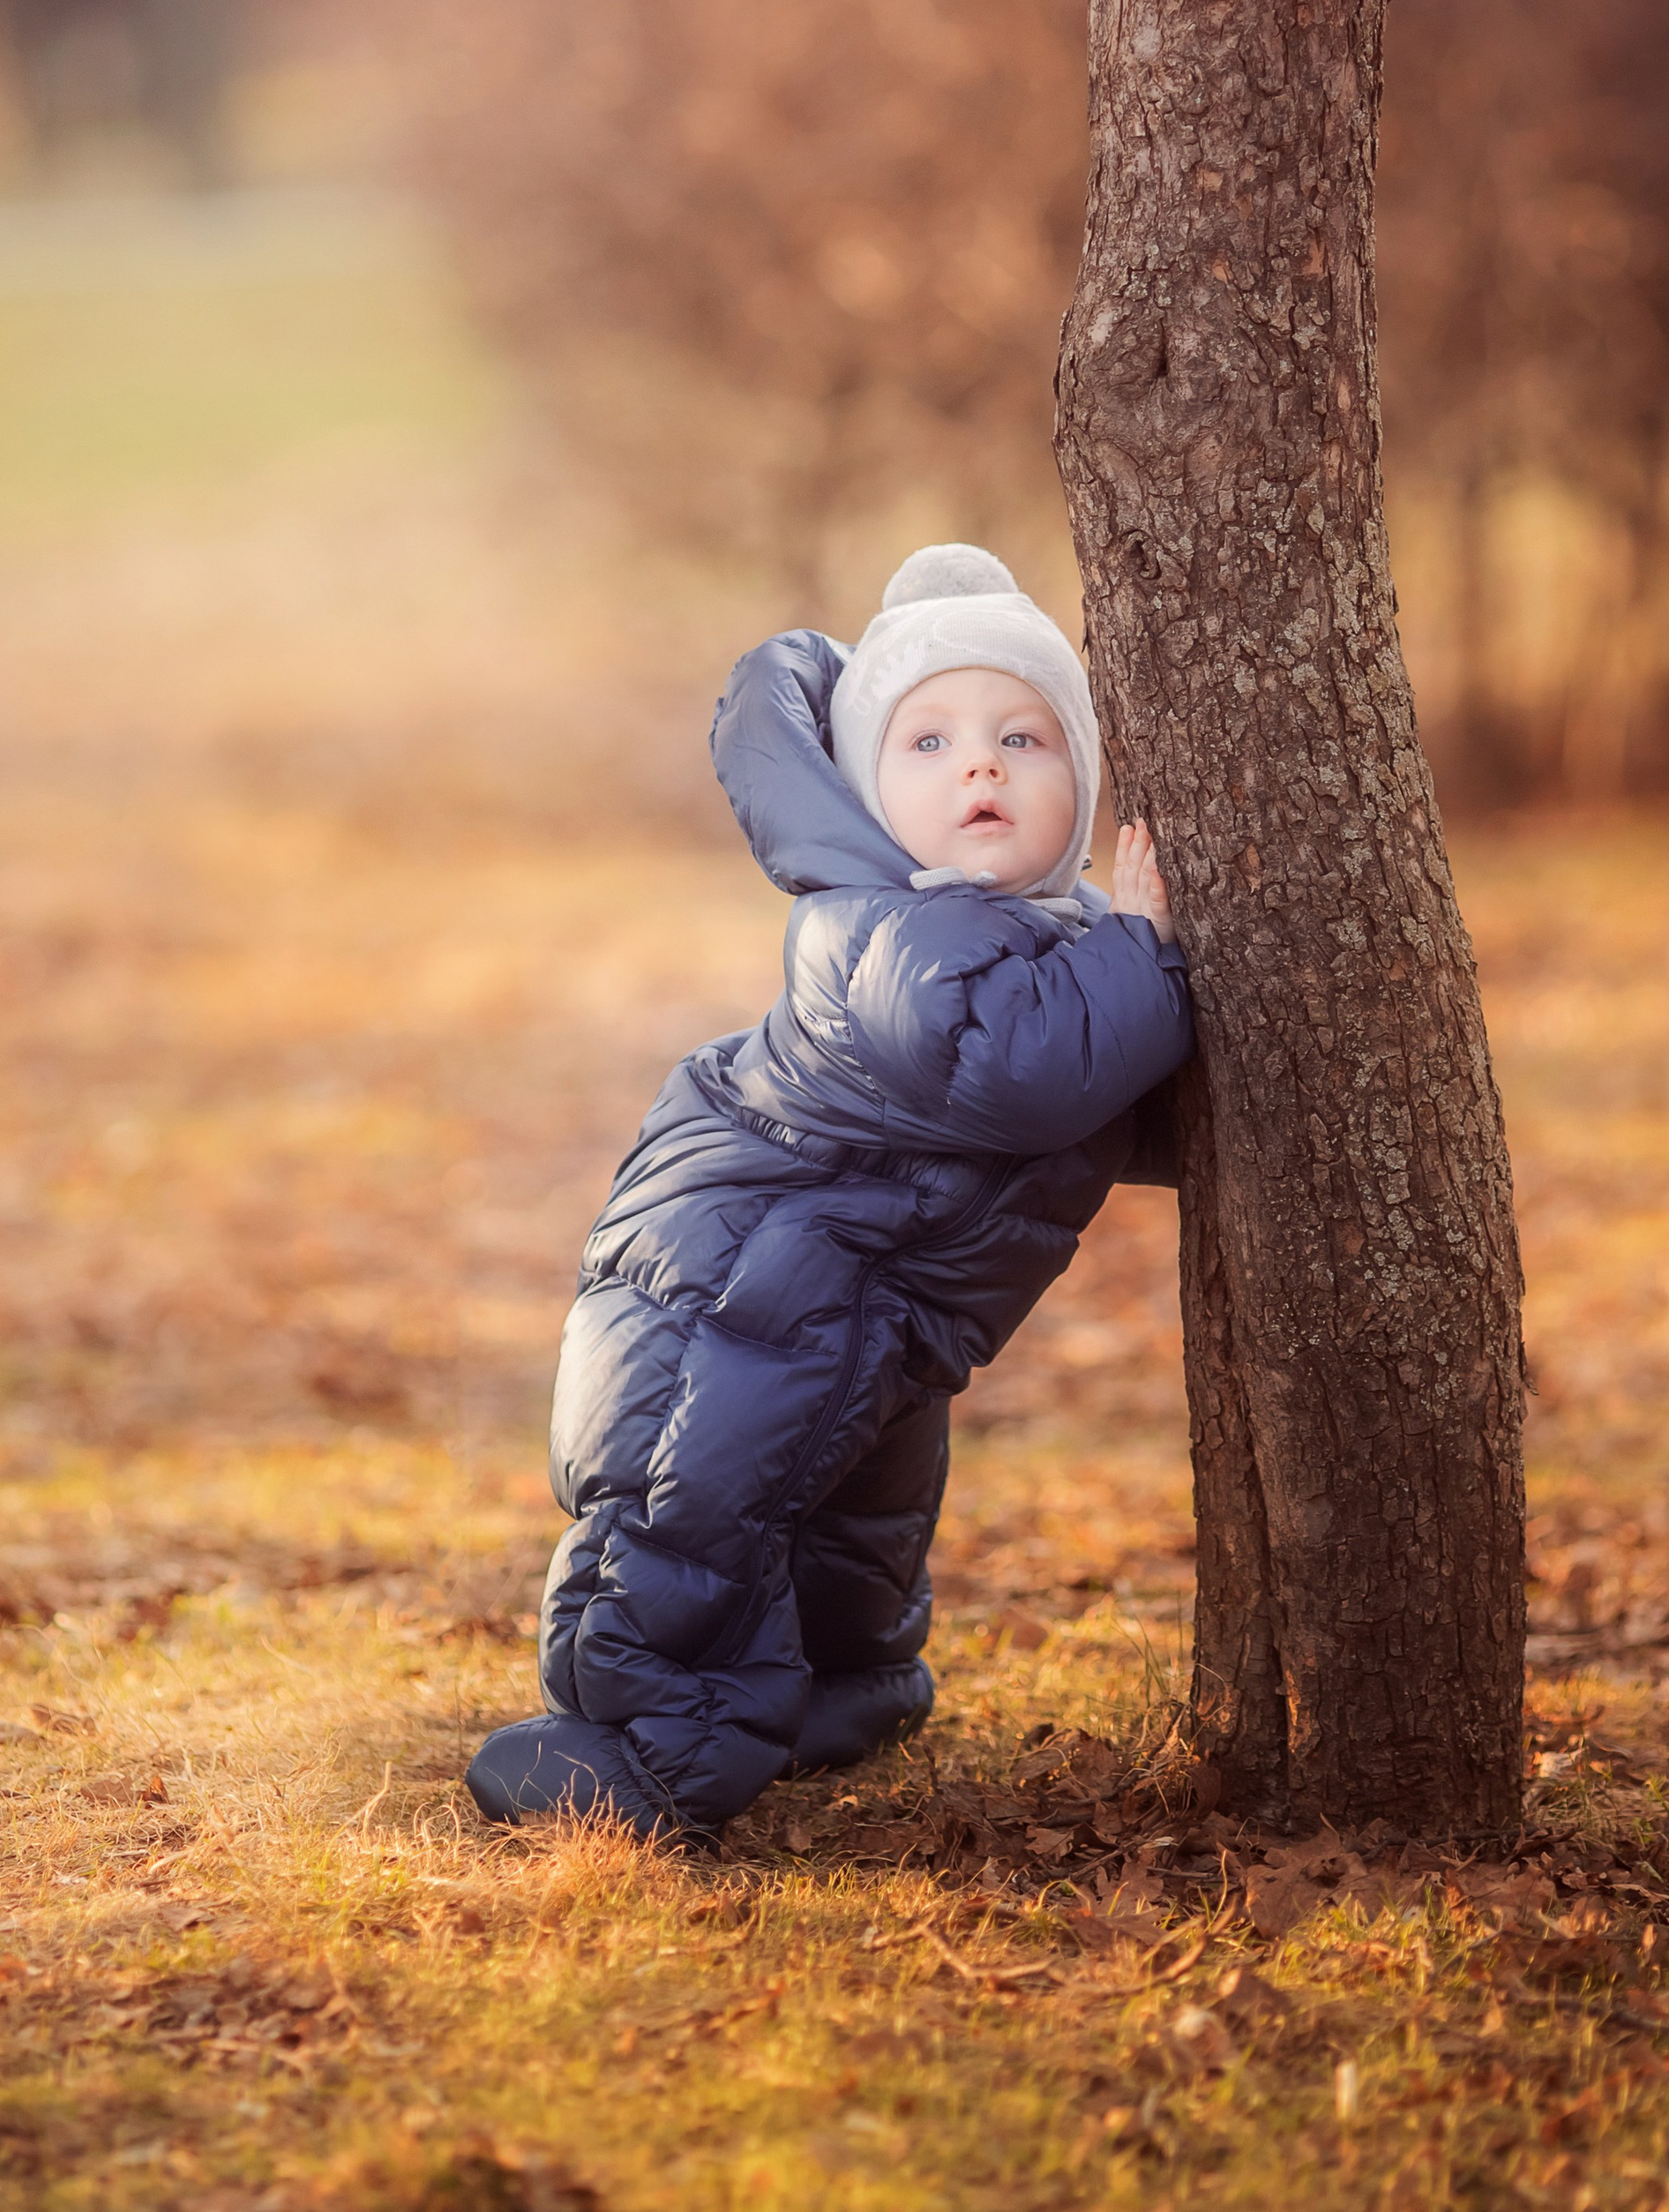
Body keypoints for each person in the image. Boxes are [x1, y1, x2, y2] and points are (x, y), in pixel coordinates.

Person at [464, 543, 1193, 1844]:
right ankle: (639, 1749)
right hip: (744, 1269)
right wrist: (1147, 955)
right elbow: (1023, 1076)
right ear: (863, 792)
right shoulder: (881, 931)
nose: (982, 766)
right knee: (702, 1500)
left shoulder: (1042, 937)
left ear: (1079, 780)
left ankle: (843, 1686)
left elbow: (1107, 1109)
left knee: (857, 1499)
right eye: (929, 744)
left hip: (862, 1285)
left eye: (1025, 737)